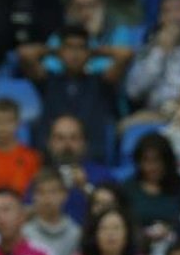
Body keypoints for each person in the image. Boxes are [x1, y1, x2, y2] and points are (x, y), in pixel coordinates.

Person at [20, 25, 131, 163]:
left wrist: (94, 52)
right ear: (61, 51)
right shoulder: (49, 81)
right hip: (51, 161)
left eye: (80, 48)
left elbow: (126, 55)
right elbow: (25, 54)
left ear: (88, 51)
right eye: (69, 48)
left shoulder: (101, 82)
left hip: (91, 159)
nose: (75, 54)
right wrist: (56, 51)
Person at [42, 0, 133, 76]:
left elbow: (114, 69)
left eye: (91, 5)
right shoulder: (59, 36)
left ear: (102, 6)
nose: (86, 13)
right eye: (79, 7)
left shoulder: (118, 31)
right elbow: (49, 67)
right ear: (69, 10)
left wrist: (91, 38)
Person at [122, 133, 180, 245]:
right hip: (137, 248)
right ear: (138, 162)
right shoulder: (127, 188)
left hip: (178, 247)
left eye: (157, 160)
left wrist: (172, 230)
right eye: (146, 160)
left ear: (167, 161)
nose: (152, 167)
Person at [43, 114, 116, 225]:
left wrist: (85, 187)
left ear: (84, 143)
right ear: (50, 143)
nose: (67, 145)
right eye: (60, 138)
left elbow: (115, 211)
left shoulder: (102, 175)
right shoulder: (41, 177)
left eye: (73, 138)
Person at [22, 168, 81, 255]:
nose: (47, 198)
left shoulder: (76, 234)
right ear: (33, 197)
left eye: (53, 192)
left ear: (64, 195)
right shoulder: (23, 233)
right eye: (41, 193)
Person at [0, 98, 40, 197]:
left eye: (8, 121)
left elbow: (36, 194)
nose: (2, 127)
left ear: (18, 123)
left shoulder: (32, 158)